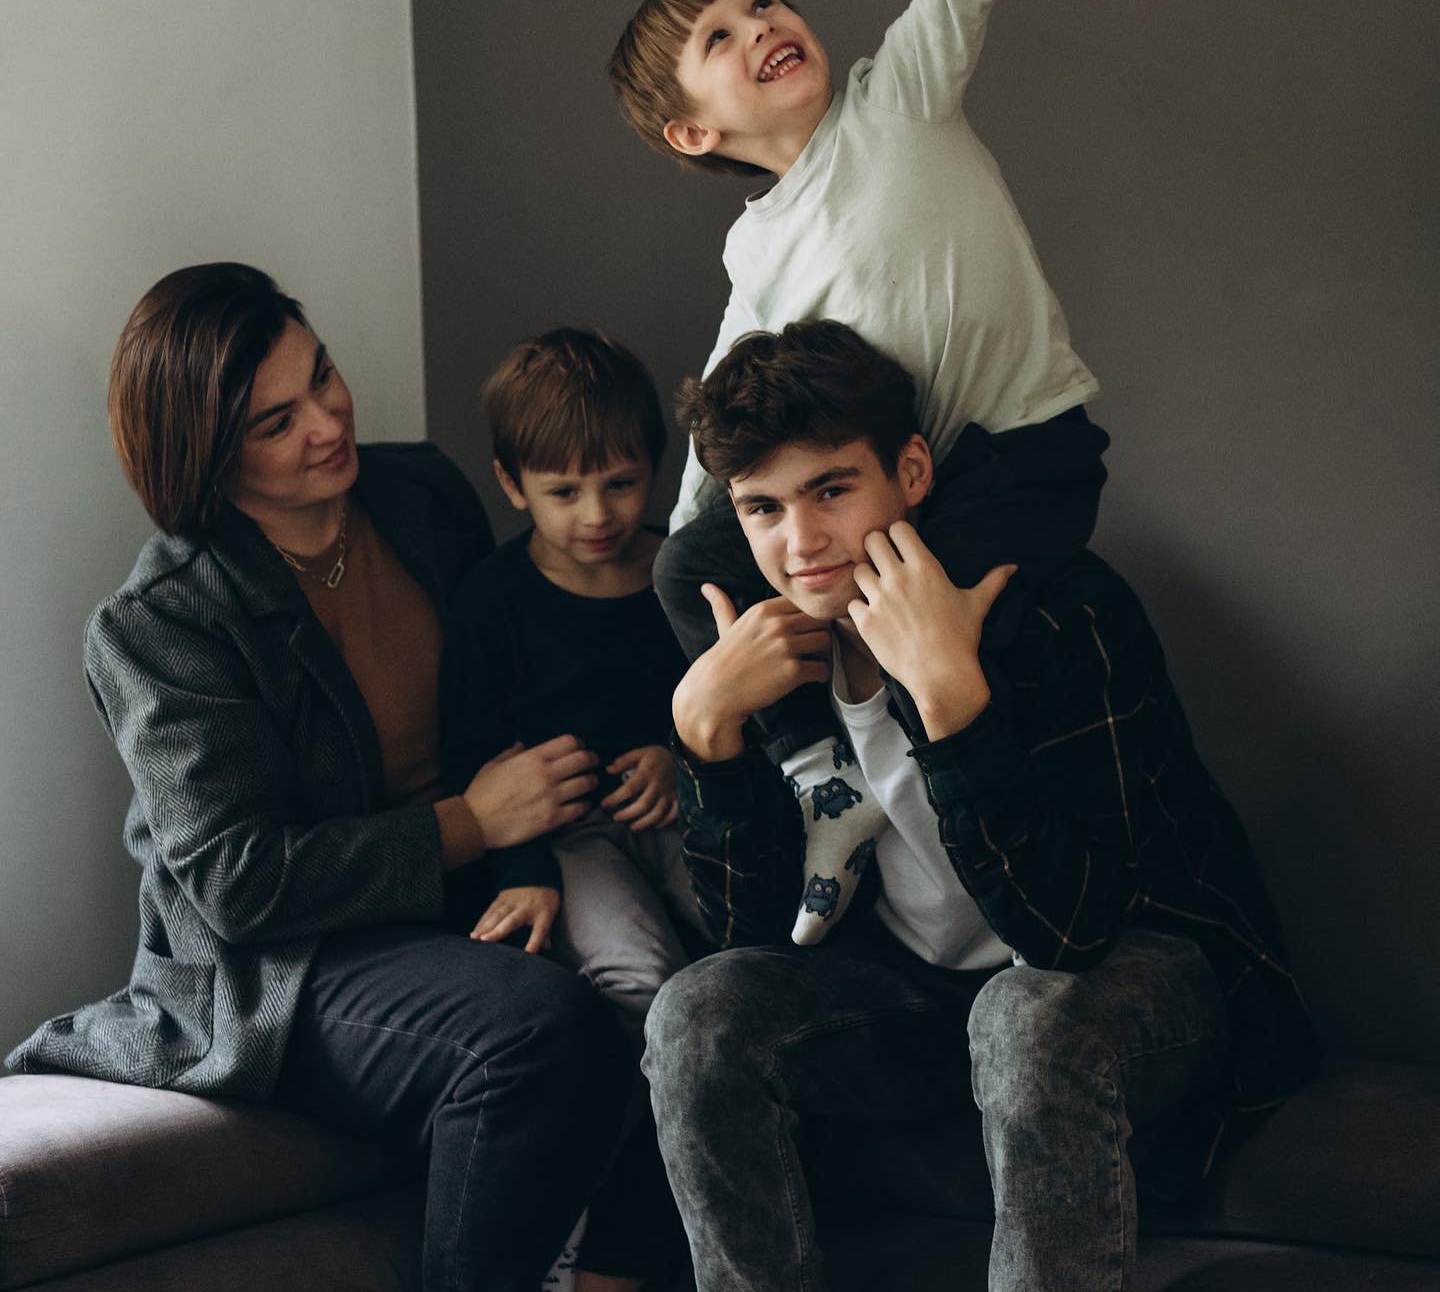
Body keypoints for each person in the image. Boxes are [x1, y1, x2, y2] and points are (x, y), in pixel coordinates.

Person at [608, 0, 1126, 939]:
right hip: (907, 480)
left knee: (919, 638)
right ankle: (817, 776)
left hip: (1020, 456)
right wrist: (700, 526)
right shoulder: (757, 251)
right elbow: (725, 406)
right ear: (692, 132)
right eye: (720, 37)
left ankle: (990, 881)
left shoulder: (902, 99)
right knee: (686, 569)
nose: (761, 26)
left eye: (763, 3)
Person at [642, 319, 1320, 1292]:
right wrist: (704, 730)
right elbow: (750, 939)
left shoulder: (1057, 609)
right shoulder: (768, 650)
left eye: (831, 490)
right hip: (919, 995)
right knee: (695, 1011)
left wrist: (953, 702)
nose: (801, 542)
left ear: (911, 471)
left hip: (1136, 977)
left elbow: (1072, 931)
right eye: (763, 508)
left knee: (1023, 1015)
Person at [4, 263, 638, 1292]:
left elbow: (520, 666)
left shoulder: (419, 494)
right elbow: (241, 883)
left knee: (684, 971)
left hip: (457, 895)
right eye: (276, 422)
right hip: (286, 960)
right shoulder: (162, 622)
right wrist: (471, 824)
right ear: (207, 457)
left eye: (323, 376)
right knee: (536, 1027)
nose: (328, 421)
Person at [439, 329, 699, 1292]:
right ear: (512, 486)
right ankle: (599, 1218)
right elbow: (474, 757)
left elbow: (740, 707)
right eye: (564, 492)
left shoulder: (681, 576)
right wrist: (523, 873)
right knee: (644, 984)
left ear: (656, 470)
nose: (597, 515)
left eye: (621, 484)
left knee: (749, 953)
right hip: (565, 833)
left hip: (678, 810)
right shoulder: (492, 600)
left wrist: (679, 760)